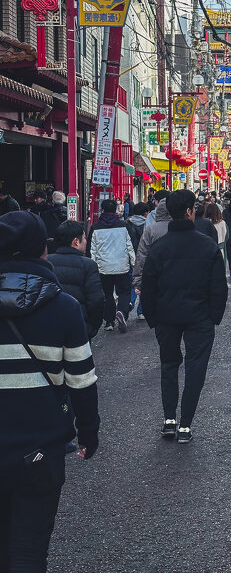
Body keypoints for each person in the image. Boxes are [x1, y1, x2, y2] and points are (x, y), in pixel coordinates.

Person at [0, 211, 99, 570]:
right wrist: (88, 433)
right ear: (41, 250)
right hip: (40, 450)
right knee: (29, 550)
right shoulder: (63, 307)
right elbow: (82, 381)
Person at [141, 190, 228, 443]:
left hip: (166, 316)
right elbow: (218, 286)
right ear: (190, 211)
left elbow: (149, 285)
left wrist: (152, 316)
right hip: (200, 317)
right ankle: (186, 425)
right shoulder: (207, 245)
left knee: (168, 365)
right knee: (195, 368)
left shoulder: (160, 247)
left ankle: (169, 419)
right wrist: (214, 315)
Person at [47, 221, 104, 340]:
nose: (85, 241)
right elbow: (96, 300)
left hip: (50, 324)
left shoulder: (47, 262)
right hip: (79, 325)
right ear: (75, 241)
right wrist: (91, 328)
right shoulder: (88, 265)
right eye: (84, 238)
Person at [88, 199, 136, 333]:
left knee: (107, 294)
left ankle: (109, 321)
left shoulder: (95, 227)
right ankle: (122, 312)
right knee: (124, 292)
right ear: (115, 210)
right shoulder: (123, 225)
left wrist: (93, 266)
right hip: (122, 265)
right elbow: (130, 246)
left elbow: (92, 250)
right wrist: (134, 263)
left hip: (103, 267)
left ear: (102, 210)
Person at [131, 192, 172, 295]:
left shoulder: (151, 229)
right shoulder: (178, 227)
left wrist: (138, 280)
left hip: (154, 272)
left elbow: (142, 254)